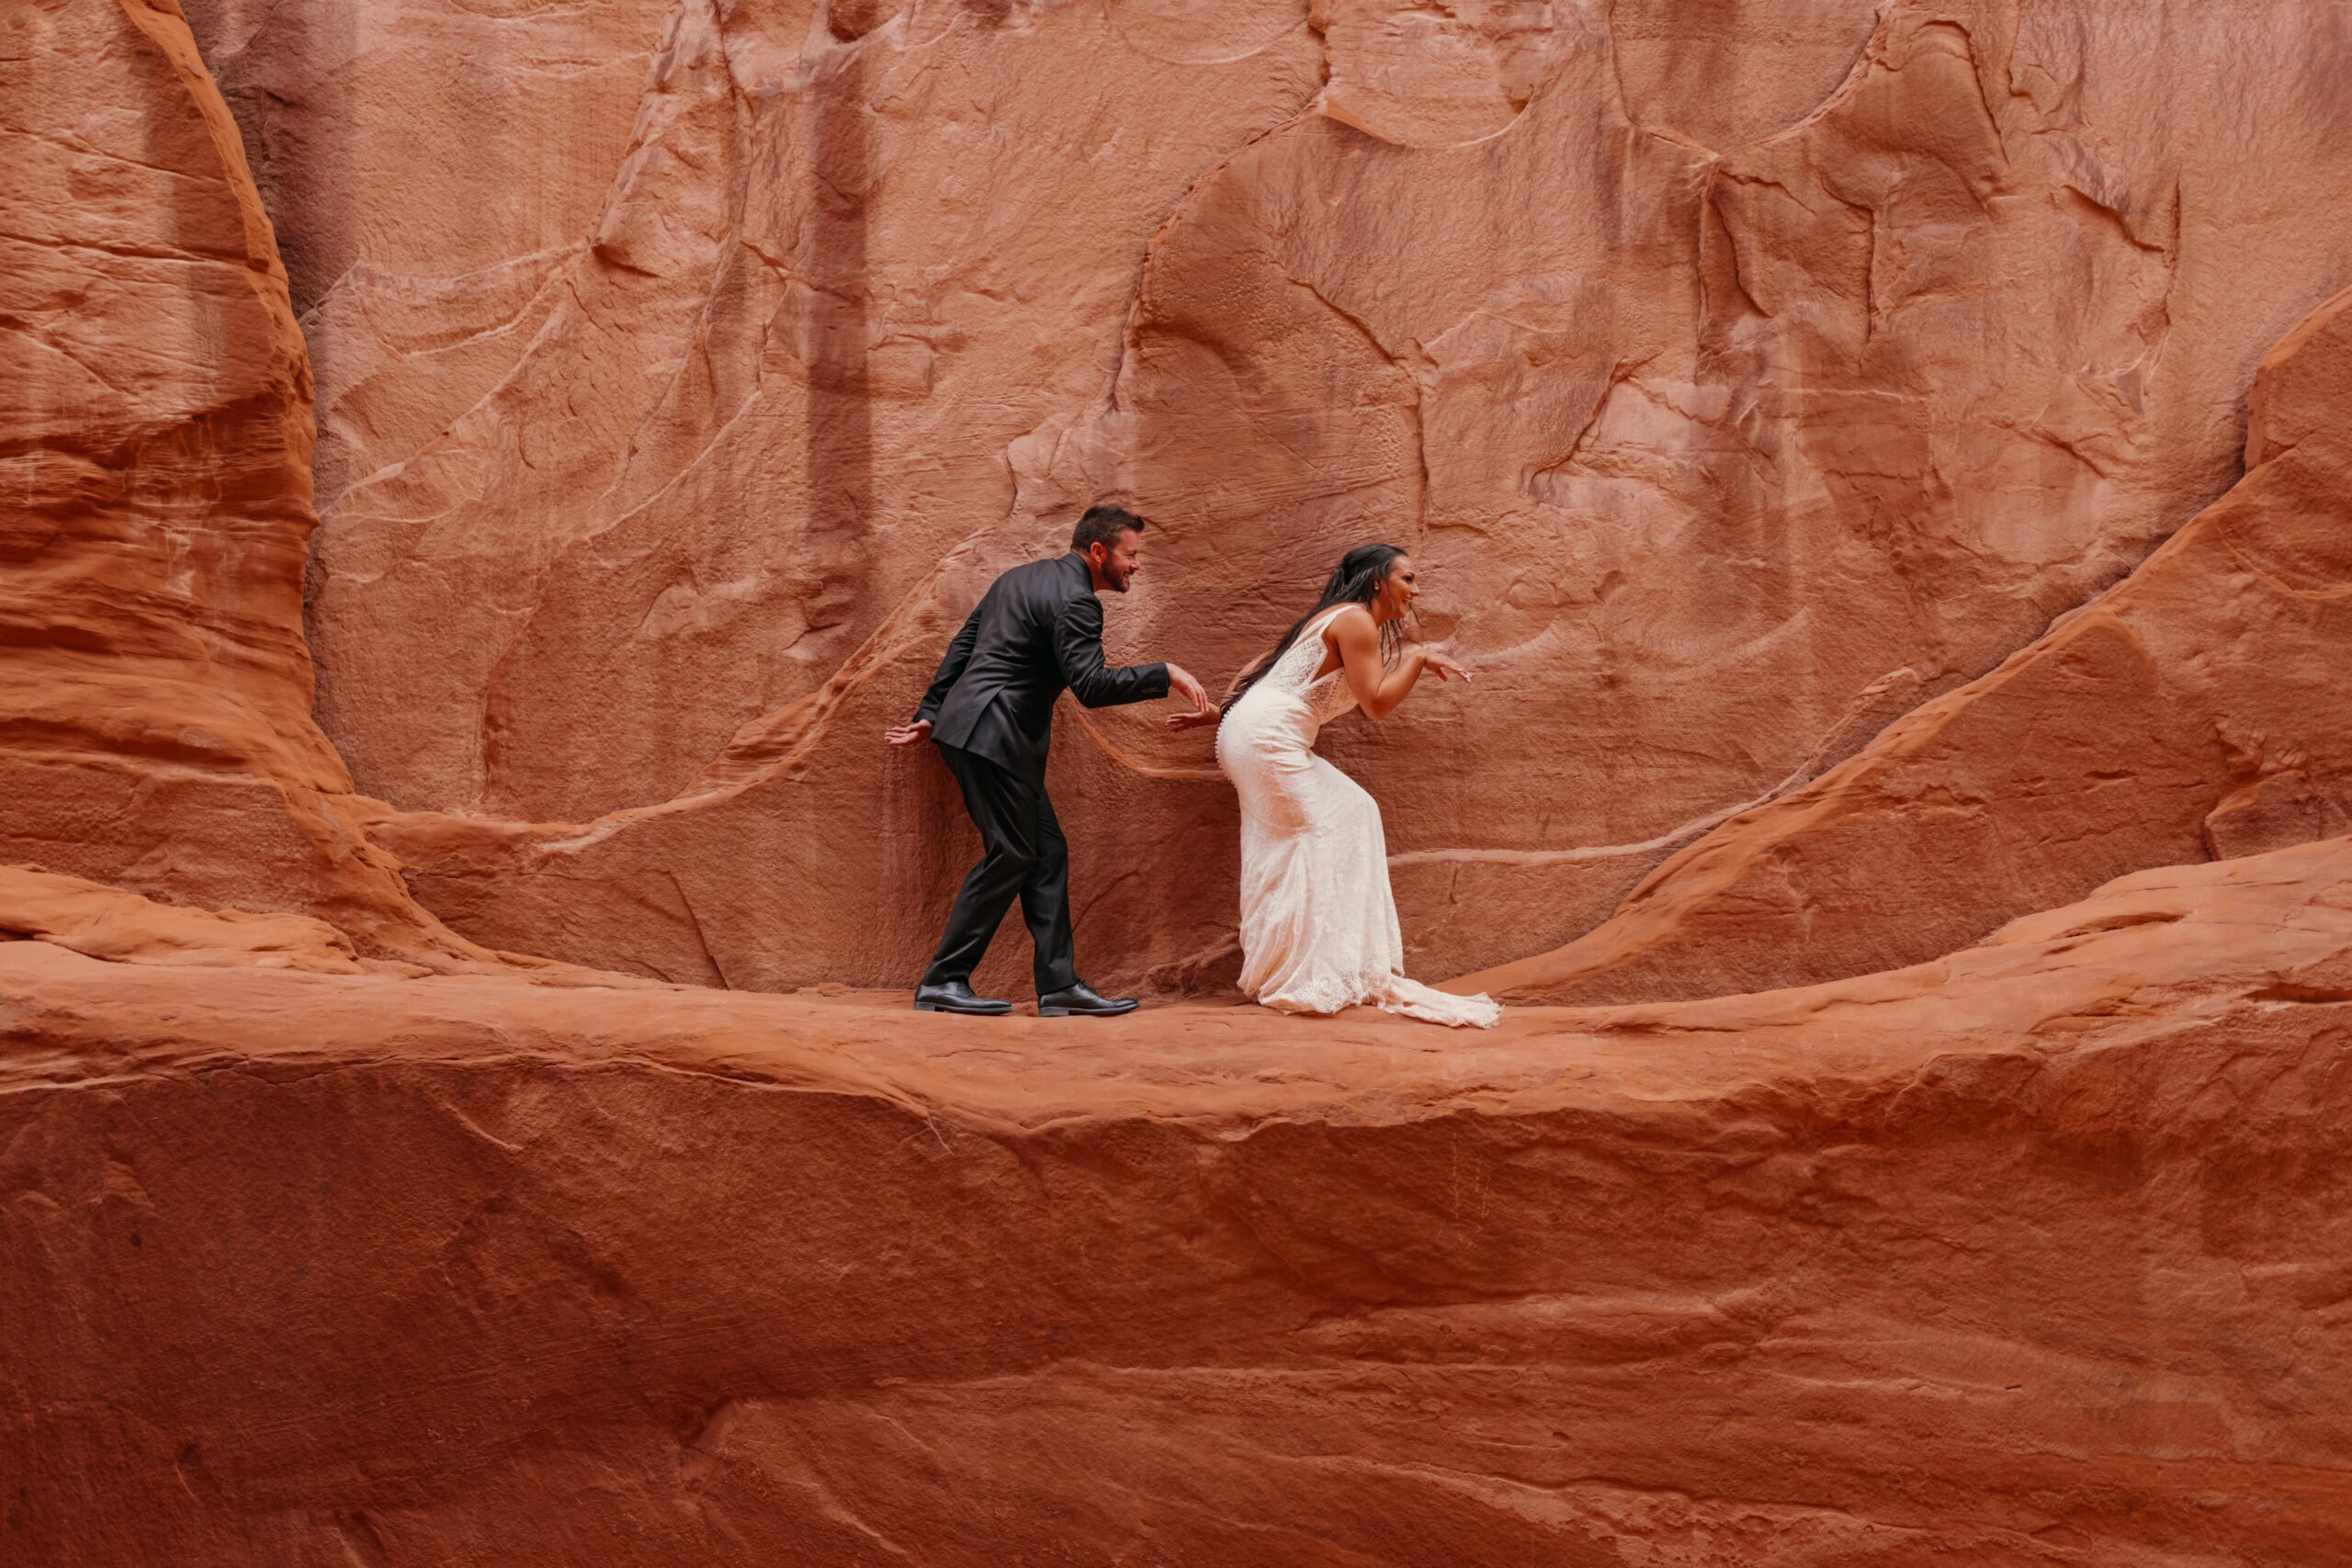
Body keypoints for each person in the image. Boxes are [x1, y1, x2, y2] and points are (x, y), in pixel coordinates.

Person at [886, 504, 1210, 1016]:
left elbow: (964, 644)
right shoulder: (1079, 602)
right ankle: (944, 980)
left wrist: (932, 711)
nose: (1136, 566)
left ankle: (1058, 986)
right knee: (1012, 854)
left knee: (1045, 852)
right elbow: (1091, 686)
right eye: (1131, 555)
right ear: (1098, 551)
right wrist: (1164, 672)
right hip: (994, 735)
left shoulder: (1018, 577)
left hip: (973, 729)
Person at [1168, 544, 1501, 1027]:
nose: (1416, 589)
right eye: (1407, 578)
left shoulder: (1333, 618)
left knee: (1350, 813)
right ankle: (1306, 974)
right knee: (1317, 834)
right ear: (1376, 581)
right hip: (1266, 737)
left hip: (1251, 730)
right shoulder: (1355, 620)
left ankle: (1308, 966)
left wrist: (1225, 716)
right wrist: (1420, 657)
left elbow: (1265, 670)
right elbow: (1377, 703)